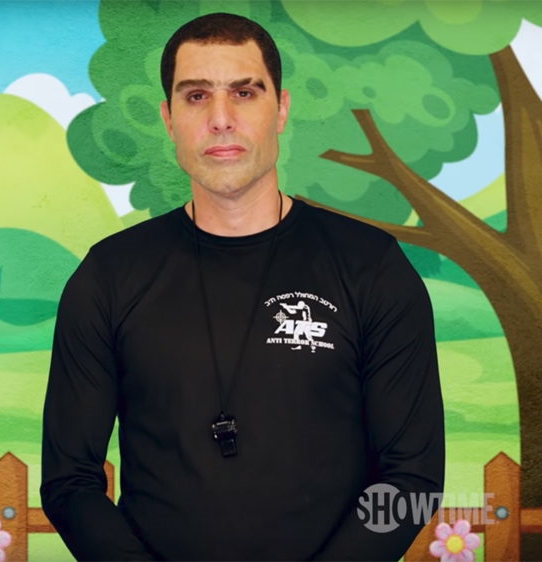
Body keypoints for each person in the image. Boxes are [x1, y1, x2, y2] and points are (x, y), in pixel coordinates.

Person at [40, 12, 445, 561]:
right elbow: (69, 482)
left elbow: (414, 480)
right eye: (196, 96)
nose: (221, 119)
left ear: (281, 109)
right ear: (168, 118)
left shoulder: (372, 267)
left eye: (244, 93)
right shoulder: (108, 276)